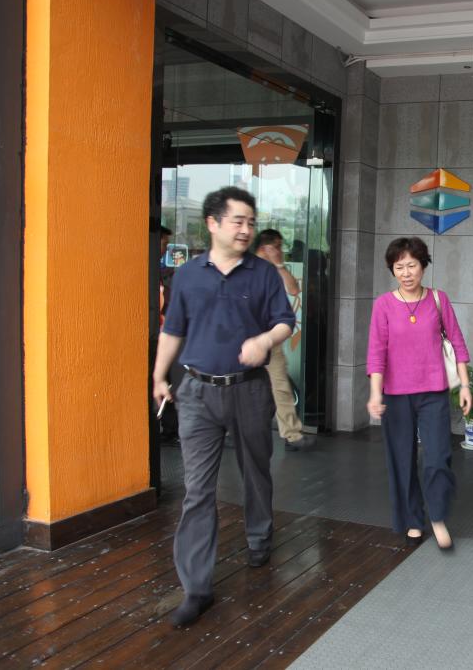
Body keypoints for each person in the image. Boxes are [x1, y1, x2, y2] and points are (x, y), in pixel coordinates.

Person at [152, 187, 295, 627]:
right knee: (197, 489)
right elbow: (173, 330)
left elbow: (285, 321)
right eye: (238, 221)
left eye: (251, 222)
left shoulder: (263, 273)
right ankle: (196, 588)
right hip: (197, 392)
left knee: (256, 470)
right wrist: (159, 376)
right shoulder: (187, 275)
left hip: (248, 390)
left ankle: (259, 537)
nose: (246, 229)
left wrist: (264, 340)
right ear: (213, 224)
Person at [366, 237, 472, 550]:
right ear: (392, 269)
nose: (406, 273)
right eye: (399, 267)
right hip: (396, 394)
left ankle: (437, 517)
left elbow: (457, 342)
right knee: (401, 459)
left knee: (438, 458)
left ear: (423, 266)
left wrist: (465, 385)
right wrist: (375, 393)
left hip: (433, 392)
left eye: (412, 265)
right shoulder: (383, 305)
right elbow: (376, 351)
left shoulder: (438, 299)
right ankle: (413, 519)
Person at [253, 228, 309, 450]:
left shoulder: (274, 270)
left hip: (271, 340)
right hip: (246, 341)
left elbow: (294, 290)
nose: (280, 251)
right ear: (264, 247)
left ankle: (292, 436)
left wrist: (279, 265)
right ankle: (229, 429)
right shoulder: (247, 268)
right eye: (276, 246)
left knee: (280, 386)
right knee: (238, 386)